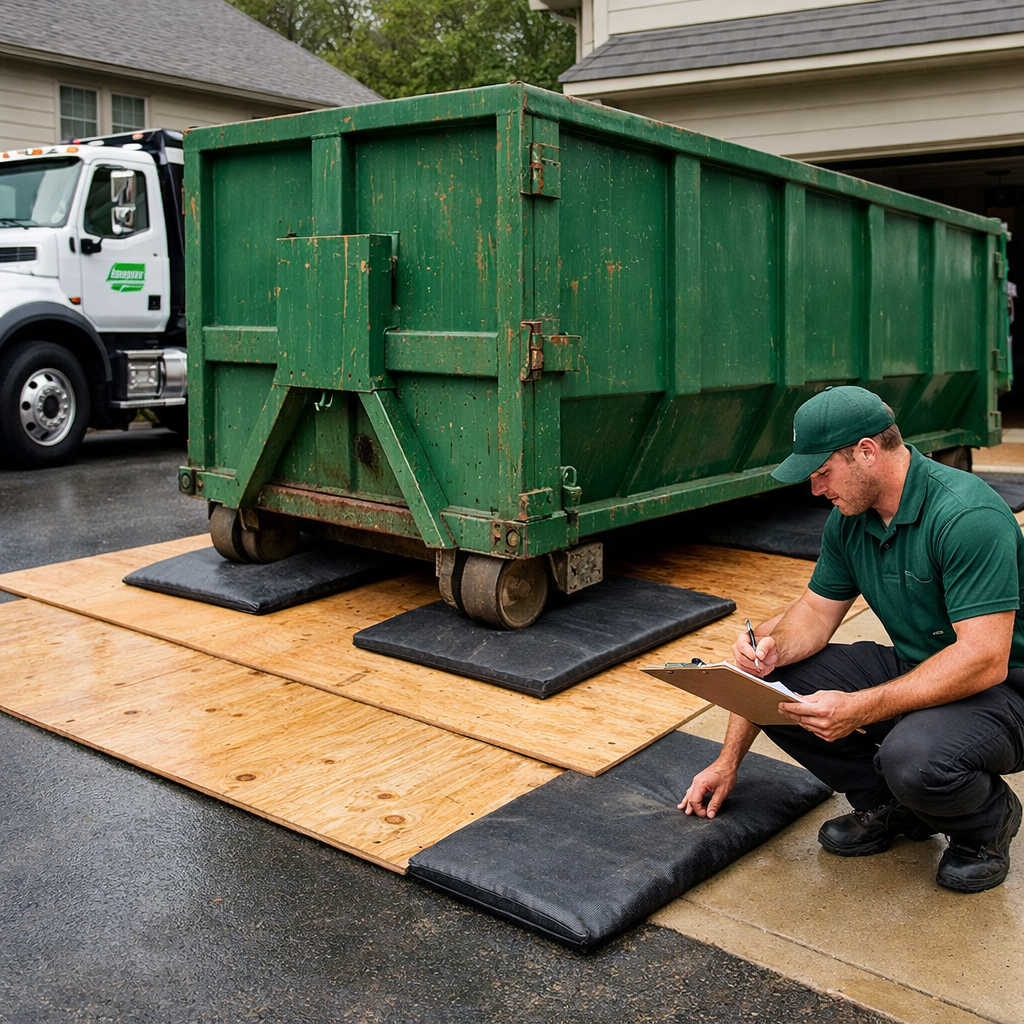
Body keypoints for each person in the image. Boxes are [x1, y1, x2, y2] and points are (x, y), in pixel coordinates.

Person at [680, 385, 1024, 893]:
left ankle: (985, 824)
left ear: (866, 452)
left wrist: (861, 706)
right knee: (777, 681)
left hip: (1006, 690)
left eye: (823, 472)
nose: (815, 489)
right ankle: (895, 806)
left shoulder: (966, 517)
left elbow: (985, 659)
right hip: (922, 666)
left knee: (913, 757)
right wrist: (771, 653)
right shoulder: (850, 520)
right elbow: (813, 615)